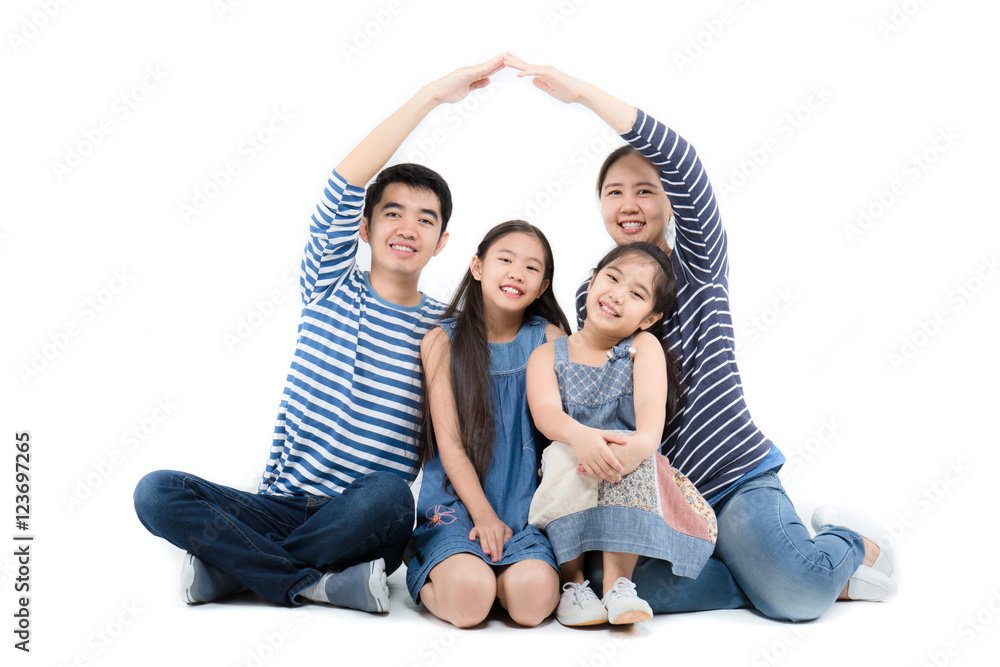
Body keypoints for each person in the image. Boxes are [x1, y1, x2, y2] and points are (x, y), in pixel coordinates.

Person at [505, 52, 896, 621]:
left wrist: (584, 94)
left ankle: (846, 544)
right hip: (653, 493)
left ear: (669, 202)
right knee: (600, 580)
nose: (629, 204)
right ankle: (758, 571)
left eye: (645, 190)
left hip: (727, 474)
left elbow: (683, 162)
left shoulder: (699, 264)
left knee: (797, 596)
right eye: (614, 192)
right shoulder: (601, 288)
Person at [132, 55, 505, 612]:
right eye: (394, 214)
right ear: (366, 227)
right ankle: (315, 583)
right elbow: (344, 182)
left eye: (426, 220)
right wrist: (430, 96)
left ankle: (239, 570)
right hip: (277, 504)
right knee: (156, 492)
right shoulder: (329, 284)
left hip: (362, 515)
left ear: (442, 242)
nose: (408, 228)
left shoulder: (442, 332)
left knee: (389, 497)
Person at [526, 242, 718, 626]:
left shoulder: (642, 347)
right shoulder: (549, 354)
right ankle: (574, 584)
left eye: (636, 294)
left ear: (649, 318)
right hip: (573, 454)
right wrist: (582, 438)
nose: (617, 295)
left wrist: (641, 445)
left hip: (622, 457)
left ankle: (618, 586)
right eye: (612, 278)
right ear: (592, 281)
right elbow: (546, 414)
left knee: (631, 455)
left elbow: (649, 408)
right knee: (560, 458)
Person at [406, 220, 571, 628]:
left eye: (532, 268)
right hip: (458, 502)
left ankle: (496, 577)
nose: (517, 272)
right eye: (505, 259)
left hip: (526, 509)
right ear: (478, 268)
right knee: (468, 602)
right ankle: (432, 569)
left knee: (532, 604)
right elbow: (450, 445)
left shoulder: (550, 339)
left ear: (543, 287)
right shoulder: (442, 341)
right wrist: (482, 515)